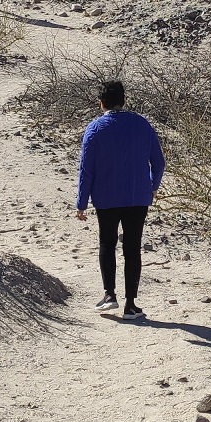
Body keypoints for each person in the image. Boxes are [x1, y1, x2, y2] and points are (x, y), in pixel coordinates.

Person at [76, 79, 165, 319]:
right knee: (132, 248)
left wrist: (81, 203)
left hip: (106, 198)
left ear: (101, 103)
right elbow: (159, 163)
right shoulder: (142, 125)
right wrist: (153, 187)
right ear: (123, 101)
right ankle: (131, 305)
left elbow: (87, 170)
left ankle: (109, 295)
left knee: (107, 243)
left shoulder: (95, 129)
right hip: (138, 196)